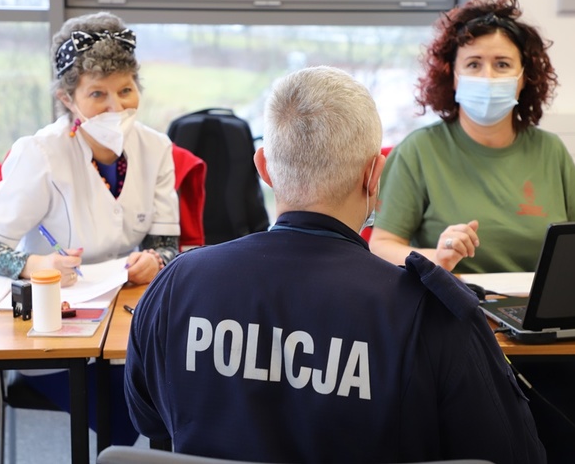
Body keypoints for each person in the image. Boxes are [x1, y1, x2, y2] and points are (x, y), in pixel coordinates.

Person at [124, 66, 545, 464]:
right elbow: (513, 454)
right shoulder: (431, 314)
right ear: (374, 175)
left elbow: (148, 421)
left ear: (264, 167)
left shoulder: (178, 284)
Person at [369, 0, 575, 463]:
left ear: (524, 76)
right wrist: (435, 259)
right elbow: (382, 244)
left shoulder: (549, 151)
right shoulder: (420, 151)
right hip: (455, 330)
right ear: (453, 76)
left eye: (502, 64)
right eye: (474, 64)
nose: (488, 76)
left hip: (540, 331)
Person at [0, 11, 181, 446]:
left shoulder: (156, 148)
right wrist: (34, 265)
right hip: (55, 335)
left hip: (126, 327)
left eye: (126, 90)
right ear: (67, 97)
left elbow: (166, 243)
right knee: (129, 411)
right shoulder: (39, 153)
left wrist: (155, 260)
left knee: (176, 396)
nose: (116, 107)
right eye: (97, 93)